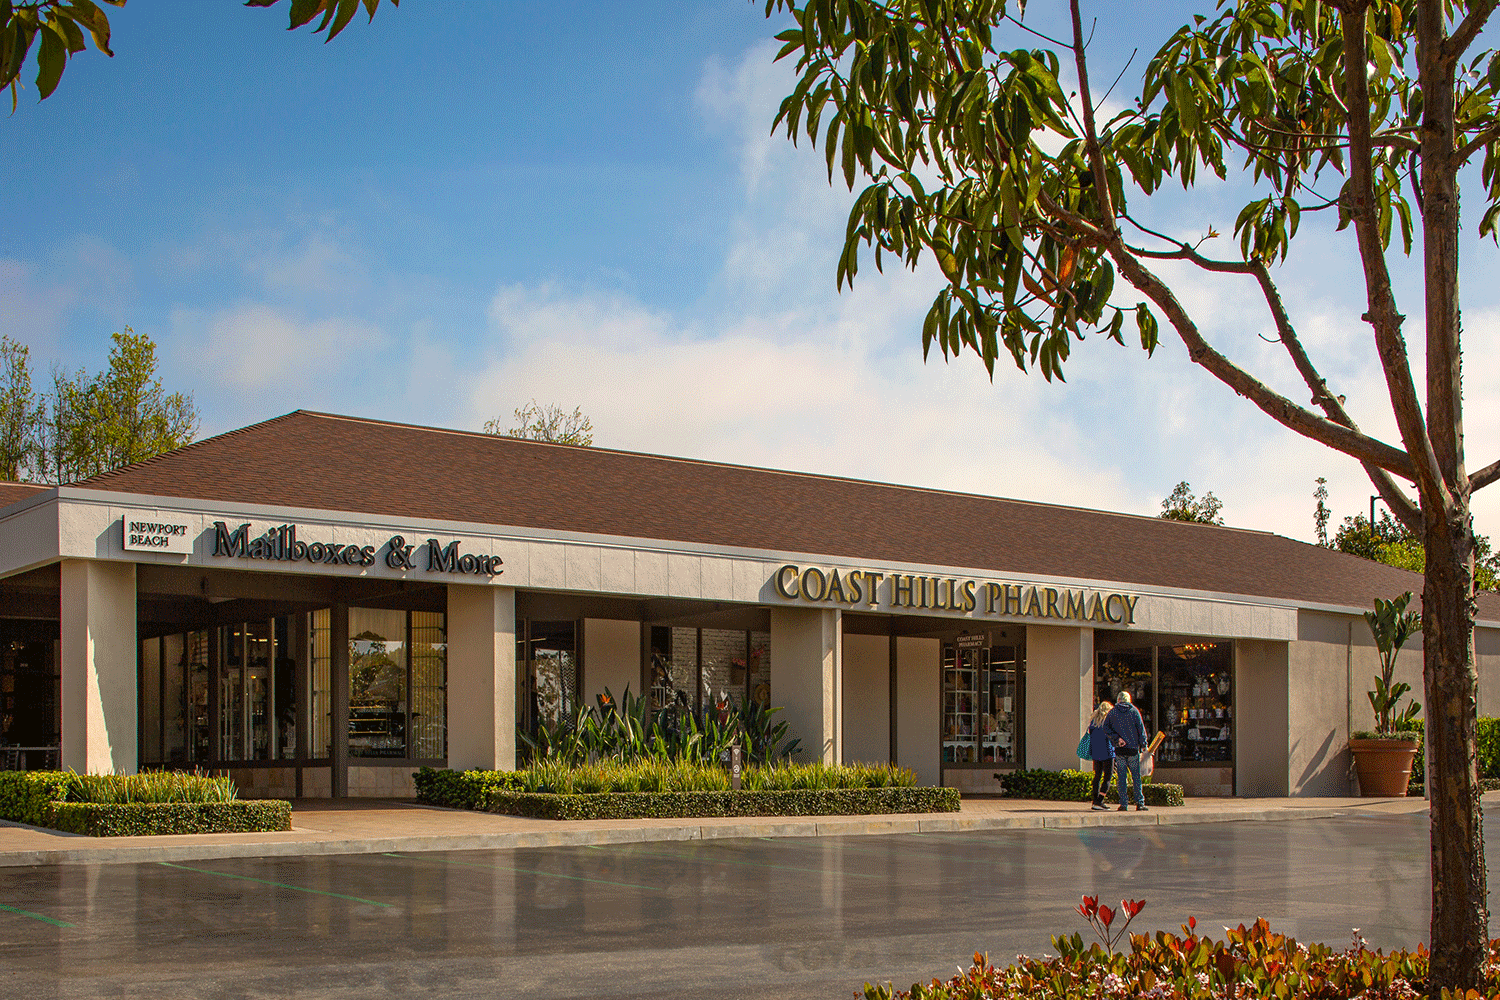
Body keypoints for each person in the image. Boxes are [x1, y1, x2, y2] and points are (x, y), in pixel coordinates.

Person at [1103, 690, 1149, 811]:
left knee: (1122, 778)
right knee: (1136, 777)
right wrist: (1143, 744)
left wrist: (1117, 739)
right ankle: (1139, 803)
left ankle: (1124, 803)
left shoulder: (1112, 713)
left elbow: (1105, 727)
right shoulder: (1134, 711)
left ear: (1118, 700)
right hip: (1133, 749)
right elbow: (1141, 729)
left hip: (1120, 750)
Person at [1086, 701, 1114, 810]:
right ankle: (1100, 800)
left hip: (1096, 752)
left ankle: (1094, 800)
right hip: (1107, 752)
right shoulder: (1108, 722)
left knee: (1097, 775)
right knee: (1108, 776)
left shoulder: (1093, 722)